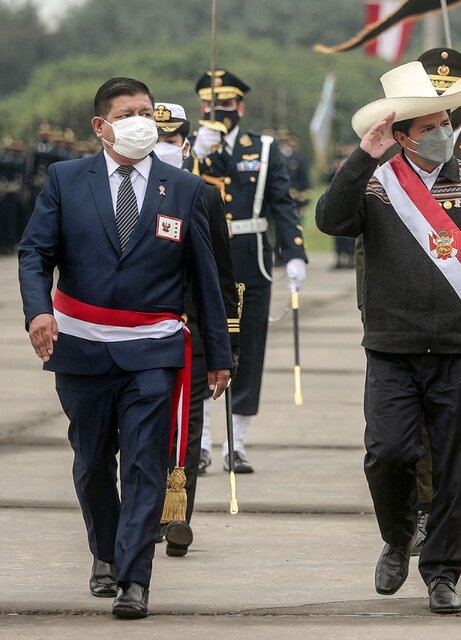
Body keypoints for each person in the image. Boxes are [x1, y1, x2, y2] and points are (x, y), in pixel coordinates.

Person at [316, 61, 461, 614]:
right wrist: (363, 155)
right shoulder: (377, 182)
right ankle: (395, 536)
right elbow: (330, 220)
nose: (443, 133)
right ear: (403, 135)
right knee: (387, 454)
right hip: (392, 346)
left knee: (457, 467)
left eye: (447, 122)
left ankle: (442, 571)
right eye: (429, 126)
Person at [18, 77, 232, 618]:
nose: (142, 121)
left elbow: (205, 276)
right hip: (83, 346)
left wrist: (221, 354)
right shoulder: (66, 179)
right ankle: (105, 554)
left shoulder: (182, 188)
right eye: (129, 112)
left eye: (147, 111)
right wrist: (38, 310)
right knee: (92, 463)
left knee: (143, 464)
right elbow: (34, 252)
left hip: (152, 351)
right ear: (101, 125)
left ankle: (135, 577)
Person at [190, 69, 309, 474]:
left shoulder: (263, 147)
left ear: (239, 106)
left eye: (224, 105)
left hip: (249, 257)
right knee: (202, 347)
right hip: (202, 257)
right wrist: (195, 155)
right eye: (209, 105)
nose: (216, 112)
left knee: (247, 349)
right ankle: (200, 441)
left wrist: (294, 252)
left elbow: (282, 202)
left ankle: (236, 443)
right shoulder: (188, 145)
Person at [152, 102, 239, 556]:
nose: (165, 148)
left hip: (192, 337)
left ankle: (176, 519)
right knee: (146, 430)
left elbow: (221, 276)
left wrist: (228, 344)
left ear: (185, 145)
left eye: (172, 141)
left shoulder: (203, 195)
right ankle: (146, 514)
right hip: (142, 333)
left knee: (186, 429)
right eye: (157, 139)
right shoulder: (130, 192)